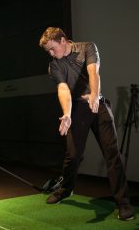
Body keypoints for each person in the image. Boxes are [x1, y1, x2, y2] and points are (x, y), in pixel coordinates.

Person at [39, 27, 134, 221]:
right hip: (76, 110)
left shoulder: (87, 47)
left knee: (112, 153)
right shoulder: (54, 65)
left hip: (97, 104)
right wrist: (66, 114)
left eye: (52, 48)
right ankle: (66, 189)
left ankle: (123, 202)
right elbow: (63, 89)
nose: (51, 54)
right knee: (72, 156)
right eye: (48, 51)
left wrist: (94, 95)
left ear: (63, 40)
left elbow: (94, 72)